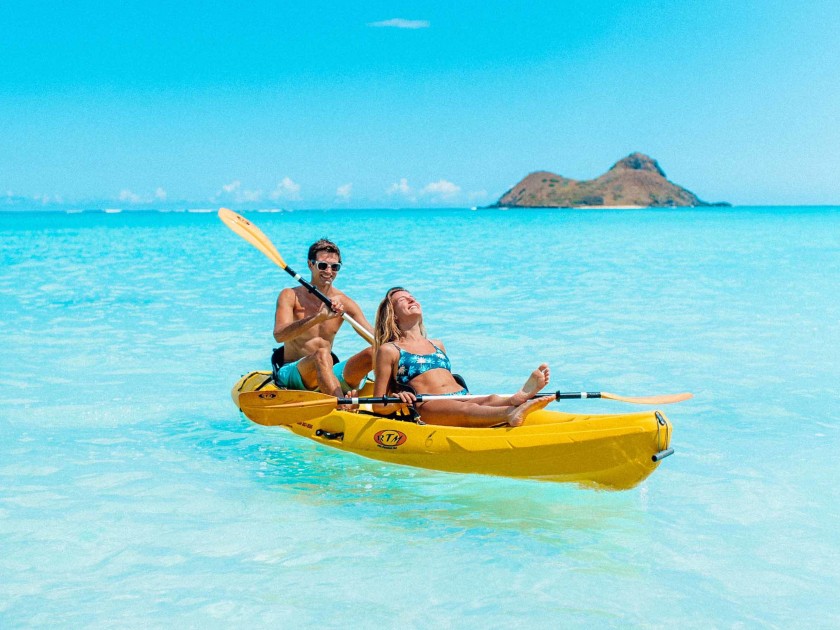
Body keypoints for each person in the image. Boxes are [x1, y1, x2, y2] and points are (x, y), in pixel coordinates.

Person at [372, 287, 552, 427]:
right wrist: (399, 401)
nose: (411, 299)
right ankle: (509, 413)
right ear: (393, 315)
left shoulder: (437, 344)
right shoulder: (390, 350)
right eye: (403, 299)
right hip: (429, 405)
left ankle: (515, 399)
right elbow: (378, 404)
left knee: (488, 399)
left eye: (412, 296)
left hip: (461, 395)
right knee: (467, 409)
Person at [272, 238, 373, 398]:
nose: (329, 271)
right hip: (293, 372)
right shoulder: (290, 295)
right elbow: (279, 335)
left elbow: (374, 338)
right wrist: (318, 318)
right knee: (322, 354)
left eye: (335, 267)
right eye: (322, 265)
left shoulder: (344, 302)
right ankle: (342, 405)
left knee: (374, 353)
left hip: (327, 371)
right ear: (310, 265)